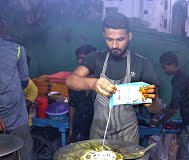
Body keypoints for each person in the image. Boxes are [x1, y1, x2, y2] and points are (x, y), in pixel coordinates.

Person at [66, 12, 162, 144]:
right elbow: (71, 80)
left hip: (127, 135)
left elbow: (157, 109)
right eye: (109, 39)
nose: (114, 45)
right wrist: (93, 83)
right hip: (98, 133)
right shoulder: (96, 58)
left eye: (120, 39)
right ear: (104, 35)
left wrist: (152, 100)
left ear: (129, 36)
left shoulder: (142, 64)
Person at [150, 51, 189, 160]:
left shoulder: (177, 81)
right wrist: (162, 110)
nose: (163, 70)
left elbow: (174, 108)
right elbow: (176, 102)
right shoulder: (185, 77)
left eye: (164, 67)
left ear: (172, 65)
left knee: (185, 157)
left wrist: (159, 121)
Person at [0, 28, 33, 160]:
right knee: (23, 157)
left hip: (16, 114)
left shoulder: (17, 48)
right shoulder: (17, 48)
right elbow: (24, 80)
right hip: (16, 115)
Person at [68, 45, 96, 143]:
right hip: (78, 128)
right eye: (78, 58)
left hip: (95, 130)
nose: (79, 62)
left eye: (82, 59)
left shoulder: (102, 82)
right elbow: (72, 105)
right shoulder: (74, 82)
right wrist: (71, 130)